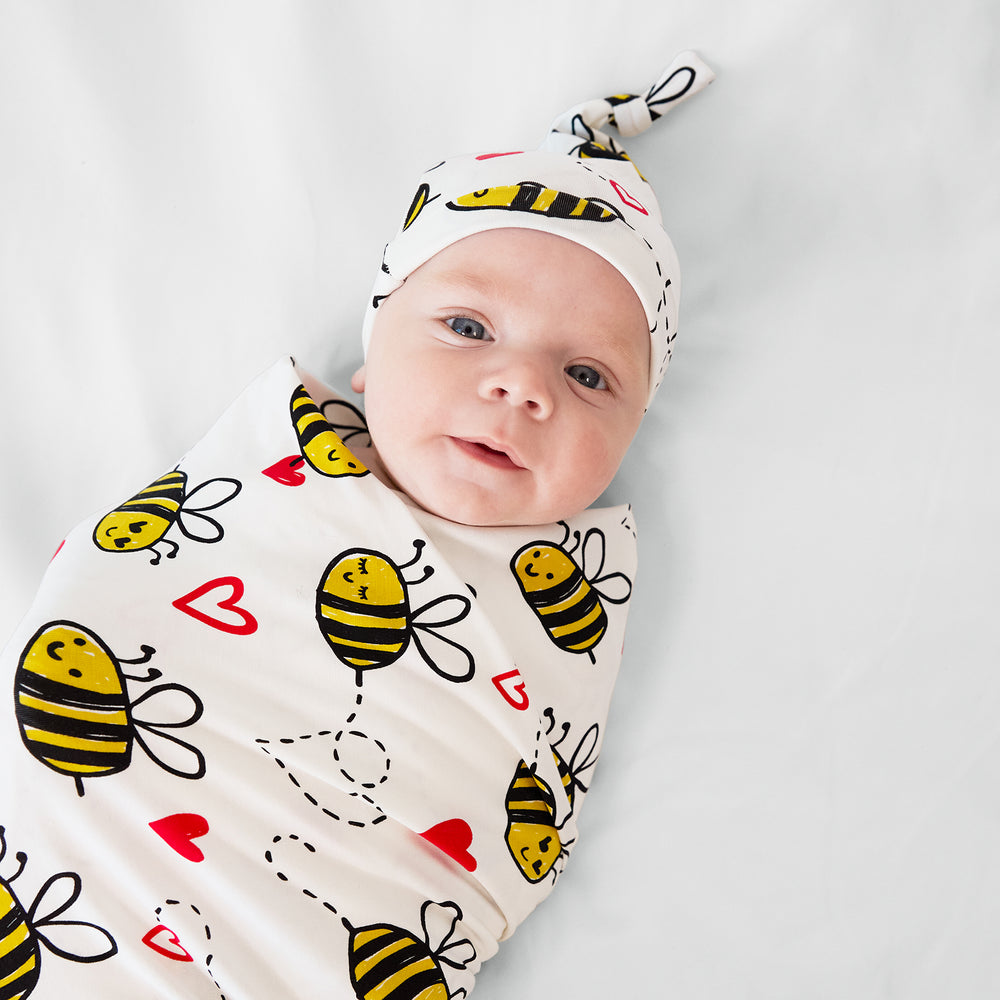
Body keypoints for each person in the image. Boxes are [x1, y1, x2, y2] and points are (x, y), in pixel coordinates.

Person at [0, 52, 713, 999]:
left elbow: (508, 826)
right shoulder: (261, 480)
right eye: (467, 328)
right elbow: (122, 596)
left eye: (588, 377)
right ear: (372, 356)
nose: (521, 385)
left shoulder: (568, 604)